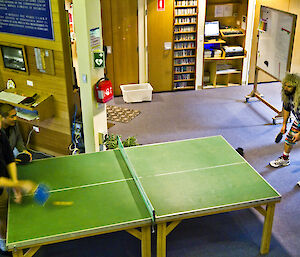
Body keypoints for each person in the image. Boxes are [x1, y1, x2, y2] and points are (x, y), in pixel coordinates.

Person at [0, 112, 35, 255]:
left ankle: (6, 239)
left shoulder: (1, 135)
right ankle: (3, 246)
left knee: (3, 215)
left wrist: (14, 184)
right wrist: (21, 185)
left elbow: (9, 159)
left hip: (2, 186)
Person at [269, 73, 300, 168]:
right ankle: (285, 159)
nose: (286, 88)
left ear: (296, 87)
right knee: (289, 139)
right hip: (299, 120)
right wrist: (284, 125)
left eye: (289, 86)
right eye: (285, 85)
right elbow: (286, 109)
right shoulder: (288, 94)